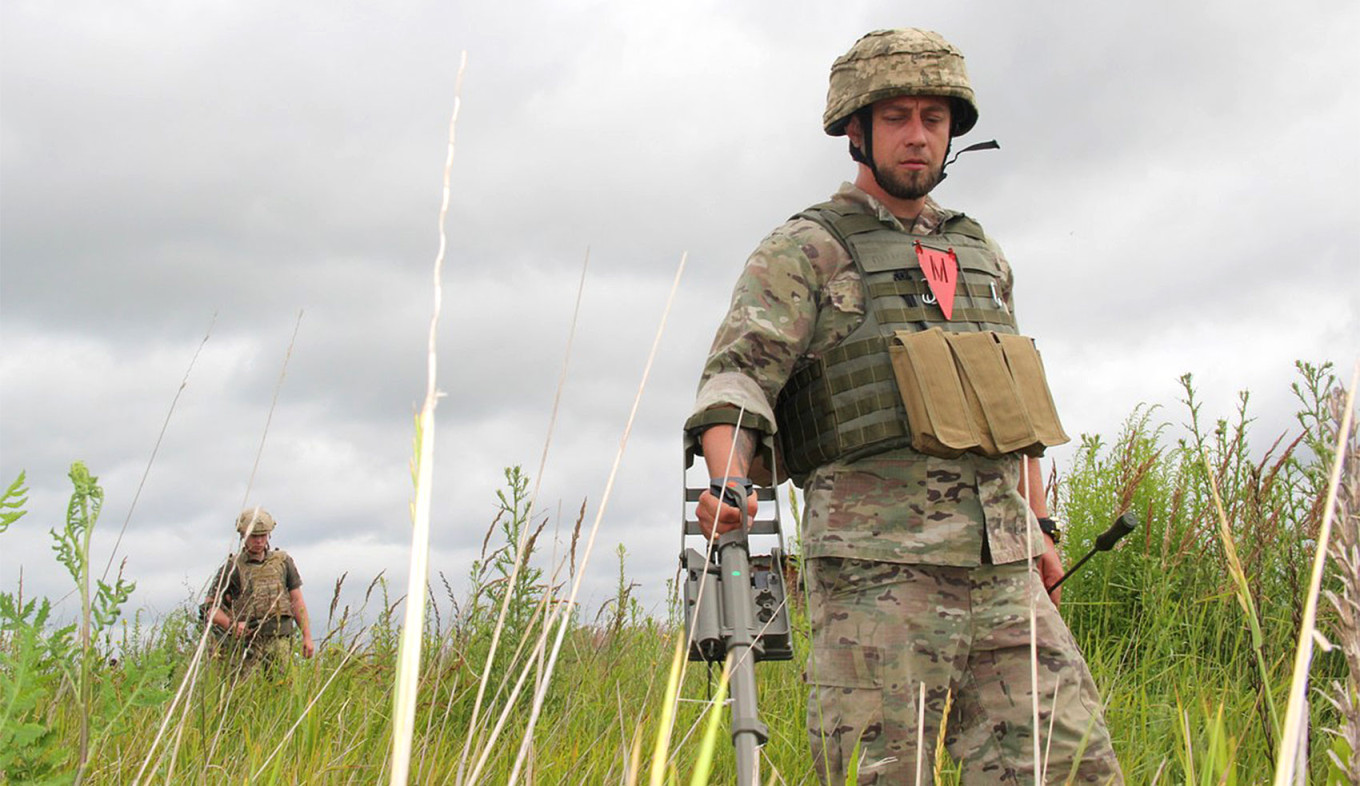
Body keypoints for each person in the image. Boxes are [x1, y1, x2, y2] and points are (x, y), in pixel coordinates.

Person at [685, 28, 1123, 784]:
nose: (918, 136)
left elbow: (1012, 403)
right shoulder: (805, 249)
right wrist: (728, 483)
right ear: (855, 130)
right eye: (896, 118)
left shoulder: (979, 251)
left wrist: (1040, 525)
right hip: (875, 580)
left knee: (1076, 768)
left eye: (933, 117)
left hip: (1004, 574)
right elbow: (738, 379)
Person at [202, 506, 315, 671]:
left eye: (263, 535)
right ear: (243, 535)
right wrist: (231, 625)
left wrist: (307, 636)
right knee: (246, 692)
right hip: (247, 644)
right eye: (254, 536)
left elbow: (296, 600)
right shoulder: (232, 567)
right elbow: (209, 607)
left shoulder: (283, 562)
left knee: (281, 690)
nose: (259, 541)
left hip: (280, 640)